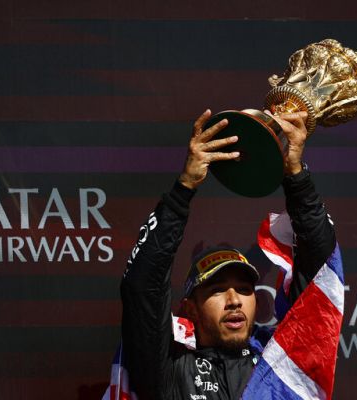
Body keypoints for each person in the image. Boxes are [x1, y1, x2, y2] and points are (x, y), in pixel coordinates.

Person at [121, 109, 336, 399]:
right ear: (190, 308)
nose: (234, 301)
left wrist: (296, 178)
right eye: (218, 290)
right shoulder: (169, 369)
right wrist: (182, 190)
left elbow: (319, 272)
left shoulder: (282, 365)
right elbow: (142, 285)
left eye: (245, 289)